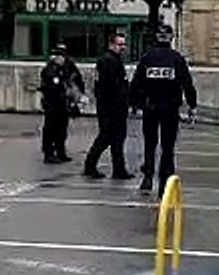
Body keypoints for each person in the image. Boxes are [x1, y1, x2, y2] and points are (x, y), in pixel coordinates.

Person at [130, 23, 197, 197]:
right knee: (168, 147)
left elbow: (137, 83)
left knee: (150, 144)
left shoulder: (147, 58)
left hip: (150, 107)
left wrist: (135, 104)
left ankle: (147, 178)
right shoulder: (177, 59)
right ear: (171, 38)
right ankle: (164, 183)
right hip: (170, 109)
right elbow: (187, 84)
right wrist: (192, 104)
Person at [83, 32, 135, 180]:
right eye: (119, 44)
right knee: (106, 138)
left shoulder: (114, 60)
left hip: (116, 107)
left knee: (117, 139)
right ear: (111, 44)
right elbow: (109, 87)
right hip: (110, 107)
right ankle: (90, 166)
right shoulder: (108, 61)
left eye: (124, 44)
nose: (122, 47)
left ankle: (118, 169)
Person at [38, 42, 84, 164]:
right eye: (58, 55)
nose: (61, 58)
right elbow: (51, 86)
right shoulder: (51, 68)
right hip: (52, 103)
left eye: (63, 55)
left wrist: (75, 95)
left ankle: (60, 151)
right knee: (50, 129)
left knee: (61, 129)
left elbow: (76, 78)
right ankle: (49, 153)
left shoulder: (68, 65)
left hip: (63, 103)